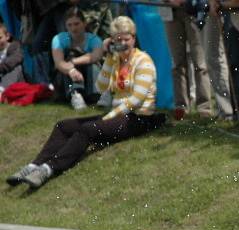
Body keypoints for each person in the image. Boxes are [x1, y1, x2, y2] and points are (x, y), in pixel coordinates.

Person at [5, 16, 166, 189]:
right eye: (118, 40)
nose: (122, 44)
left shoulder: (143, 61)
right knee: (63, 126)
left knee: (88, 129)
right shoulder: (117, 60)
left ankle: (49, 169)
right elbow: (101, 86)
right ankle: (33, 166)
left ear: (134, 38)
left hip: (139, 117)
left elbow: (136, 100)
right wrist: (110, 58)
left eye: (126, 40)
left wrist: (108, 118)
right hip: (118, 114)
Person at [163, 0, 215, 119]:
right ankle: (181, 107)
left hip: (194, 10)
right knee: (177, 63)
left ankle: (205, 108)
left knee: (200, 63)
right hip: (170, 11)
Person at [51, 7, 104, 110]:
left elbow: (96, 56)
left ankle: (95, 95)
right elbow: (58, 63)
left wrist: (73, 62)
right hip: (66, 79)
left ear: (84, 23)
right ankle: (76, 94)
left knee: (92, 64)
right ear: (65, 26)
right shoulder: (59, 39)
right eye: (69, 25)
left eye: (76, 24)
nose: (73, 28)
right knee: (68, 58)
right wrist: (71, 70)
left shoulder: (94, 39)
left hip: (88, 76)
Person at [0, 22, 24, 94]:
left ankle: (1, 91)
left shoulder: (15, 46)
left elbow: (15, 60)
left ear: (7, 36)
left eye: (0, 38)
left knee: (16, 68)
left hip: (14, 80)